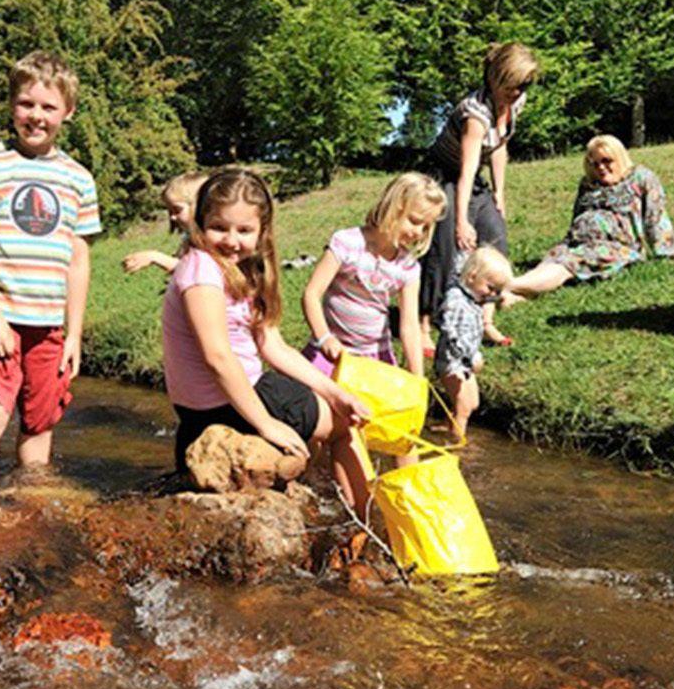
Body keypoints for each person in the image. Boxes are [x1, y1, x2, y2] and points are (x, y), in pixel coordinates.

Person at [160, 167, 369, 513]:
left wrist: (334, 391)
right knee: (342, 425)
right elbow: (217, 357)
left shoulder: (240, 271)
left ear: (261, 231)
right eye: (218, 227)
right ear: (199, 224)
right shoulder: (201, 268)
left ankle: (316, 492)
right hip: (235, 400)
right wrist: (265, 423)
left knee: (335, 406)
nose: (231, 240)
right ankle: (360, 519)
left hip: (203, 408)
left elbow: (273, 345)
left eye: (244, 230)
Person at [0, 51, 102, 499]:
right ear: (12, 105)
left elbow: (78, 262)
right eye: (26, 104)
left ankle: (27, 516)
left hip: (48, 325)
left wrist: (73, 334)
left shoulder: (79, 179)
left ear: (68, 112)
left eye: (48, 107)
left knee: (40, 423)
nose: (36, 116)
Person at [419, 42, 538, 346]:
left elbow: (499, 146)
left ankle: (486, 320)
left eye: (526, 84)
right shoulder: (475, 113)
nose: (520, 90)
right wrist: (461, 220)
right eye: (516, 84)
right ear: (498, 79)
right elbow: (467, 169)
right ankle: (423, 324)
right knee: (445, 242)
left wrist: (499, 193)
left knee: (494, 233)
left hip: (473, 178)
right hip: (444, 174)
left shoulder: (516, 102)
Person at [301, 172, 445, 377]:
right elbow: (311, 294)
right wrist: (324, 338)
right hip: (330, 353)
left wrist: (418, 378)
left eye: (426, 227)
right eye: (414, 221)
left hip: (374, 357)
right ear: (393, 207)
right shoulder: (347, 243)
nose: (418, 232)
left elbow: (410, 327)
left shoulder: (407, 267)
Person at [506, 135, 674, 298]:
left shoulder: (640, 177)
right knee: (553, 260)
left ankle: (506, 286)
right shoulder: (588, 183)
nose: (601, 168)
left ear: (619, 157)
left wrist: (668, 254)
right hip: (576, 242)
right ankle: (510, 296)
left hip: (613, 246)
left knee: (566, 265)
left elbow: (655, 216)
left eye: (607, 161)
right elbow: (577, 215)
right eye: (595, 163)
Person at [435, 246, 512, 442]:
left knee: (473, 403)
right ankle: (458, 444)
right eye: (490, 287)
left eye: (497, 290)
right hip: (452, 362)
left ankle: (448, 426)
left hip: (465, 360)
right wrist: (469, 357)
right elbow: (449, 328)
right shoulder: (456, 300)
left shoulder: (473, 297)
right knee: (464, 406)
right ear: (472, 277)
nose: (491, 294)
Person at [122, 171, 206, 277]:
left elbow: (193, 270)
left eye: (177, 210)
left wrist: (154, 257)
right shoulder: (189, 236)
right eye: (170, 211)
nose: (172, 217)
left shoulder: (206, 239)